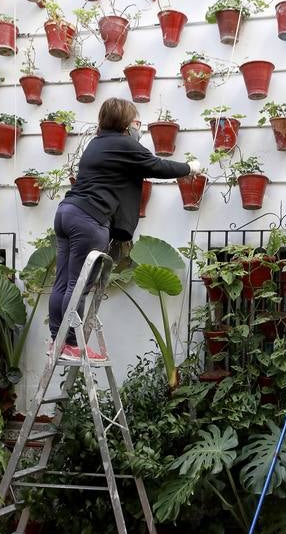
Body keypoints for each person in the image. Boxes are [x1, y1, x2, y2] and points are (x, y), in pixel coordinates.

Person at [48, 97, 199, 363]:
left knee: (62, 282)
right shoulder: (123, 143)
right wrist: (190, 168)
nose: (137, 126)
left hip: (66, 213)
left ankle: (57, 342)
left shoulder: (97, 143)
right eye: (135, 121)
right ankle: (70, 343)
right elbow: (157, 166)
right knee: (77, 284)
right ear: (124, 123)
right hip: (88, 218)